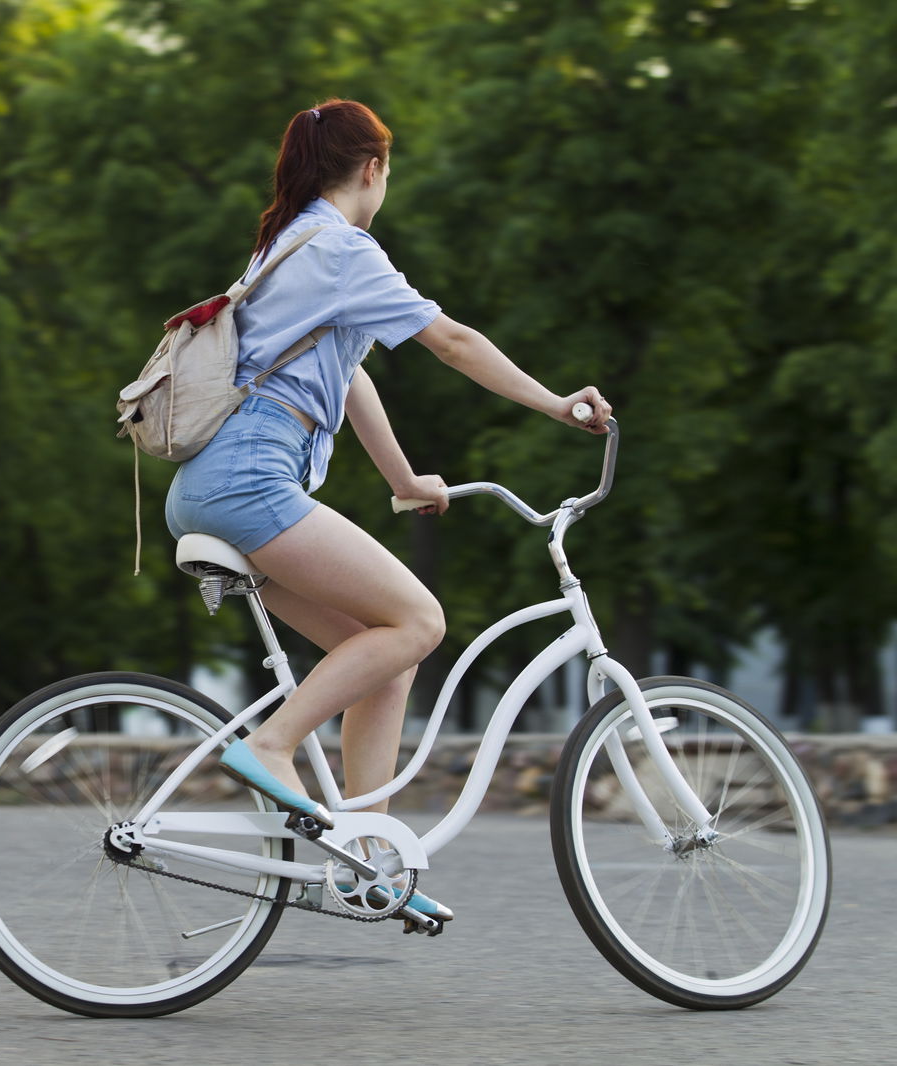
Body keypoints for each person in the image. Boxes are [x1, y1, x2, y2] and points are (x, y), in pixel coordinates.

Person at [167, 99, 611, 916]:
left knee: (385, 653)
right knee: (421, 621)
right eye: (389, 169)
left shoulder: (285, 245)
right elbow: (454, 342)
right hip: (252, 478)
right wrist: (556, 405)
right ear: (372, 169)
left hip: (209, 483)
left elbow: (351, 374)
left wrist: (404, 480)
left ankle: (367, 856)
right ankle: (270, 746)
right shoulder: (342, 247)